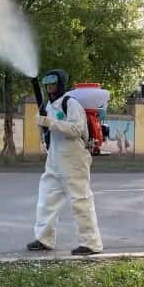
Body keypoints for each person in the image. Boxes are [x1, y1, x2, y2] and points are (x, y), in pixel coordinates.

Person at [27, 69, 103, 255]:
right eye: (47, 82)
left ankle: (91, 243)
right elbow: (50, 129)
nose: (50, 86)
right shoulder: (47, 104)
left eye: (53, 82)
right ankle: (44, 239)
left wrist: (49, 123)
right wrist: (45, 127)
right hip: (54, 158)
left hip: (74, 158)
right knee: (47, 200)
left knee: (81, 200)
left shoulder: (71, 103)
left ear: (60, 83)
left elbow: (77, 129)